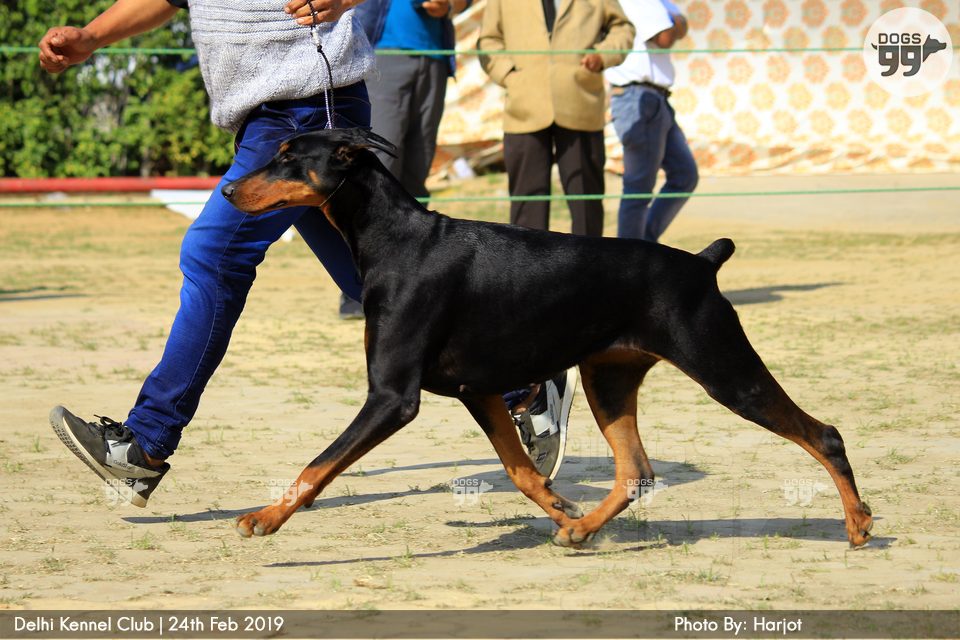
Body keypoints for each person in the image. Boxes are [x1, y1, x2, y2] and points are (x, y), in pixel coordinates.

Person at [41, 0, 379, 507]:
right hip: (273, 115)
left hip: (307, 106)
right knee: (376, 280)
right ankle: (507, 387)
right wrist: (91, 37)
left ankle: (145, 444)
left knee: (213, 255)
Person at [477, 0, 634, 237]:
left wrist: (603, 55)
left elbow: (622, 28)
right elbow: (488, 40)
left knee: (586, 206)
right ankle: (528, 262)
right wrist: (508, 75)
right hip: (523, 108)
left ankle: (587, 262)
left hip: (580, 103)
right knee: (527, 209)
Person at [355, 0, 471, 200]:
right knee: (382, 154)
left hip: (436, 57)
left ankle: (414, 220)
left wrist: (449, 5)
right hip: (383, 52)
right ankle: (375, 219)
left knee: (420, 159)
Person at [604, 0, 698, 242]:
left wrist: (675, 23)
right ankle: (629, 258)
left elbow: (676, 29)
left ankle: (644, 247)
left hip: (657, 97)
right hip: (638, 97)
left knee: (684, 175)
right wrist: (677, 22)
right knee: (638, 188)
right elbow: (665, 37)